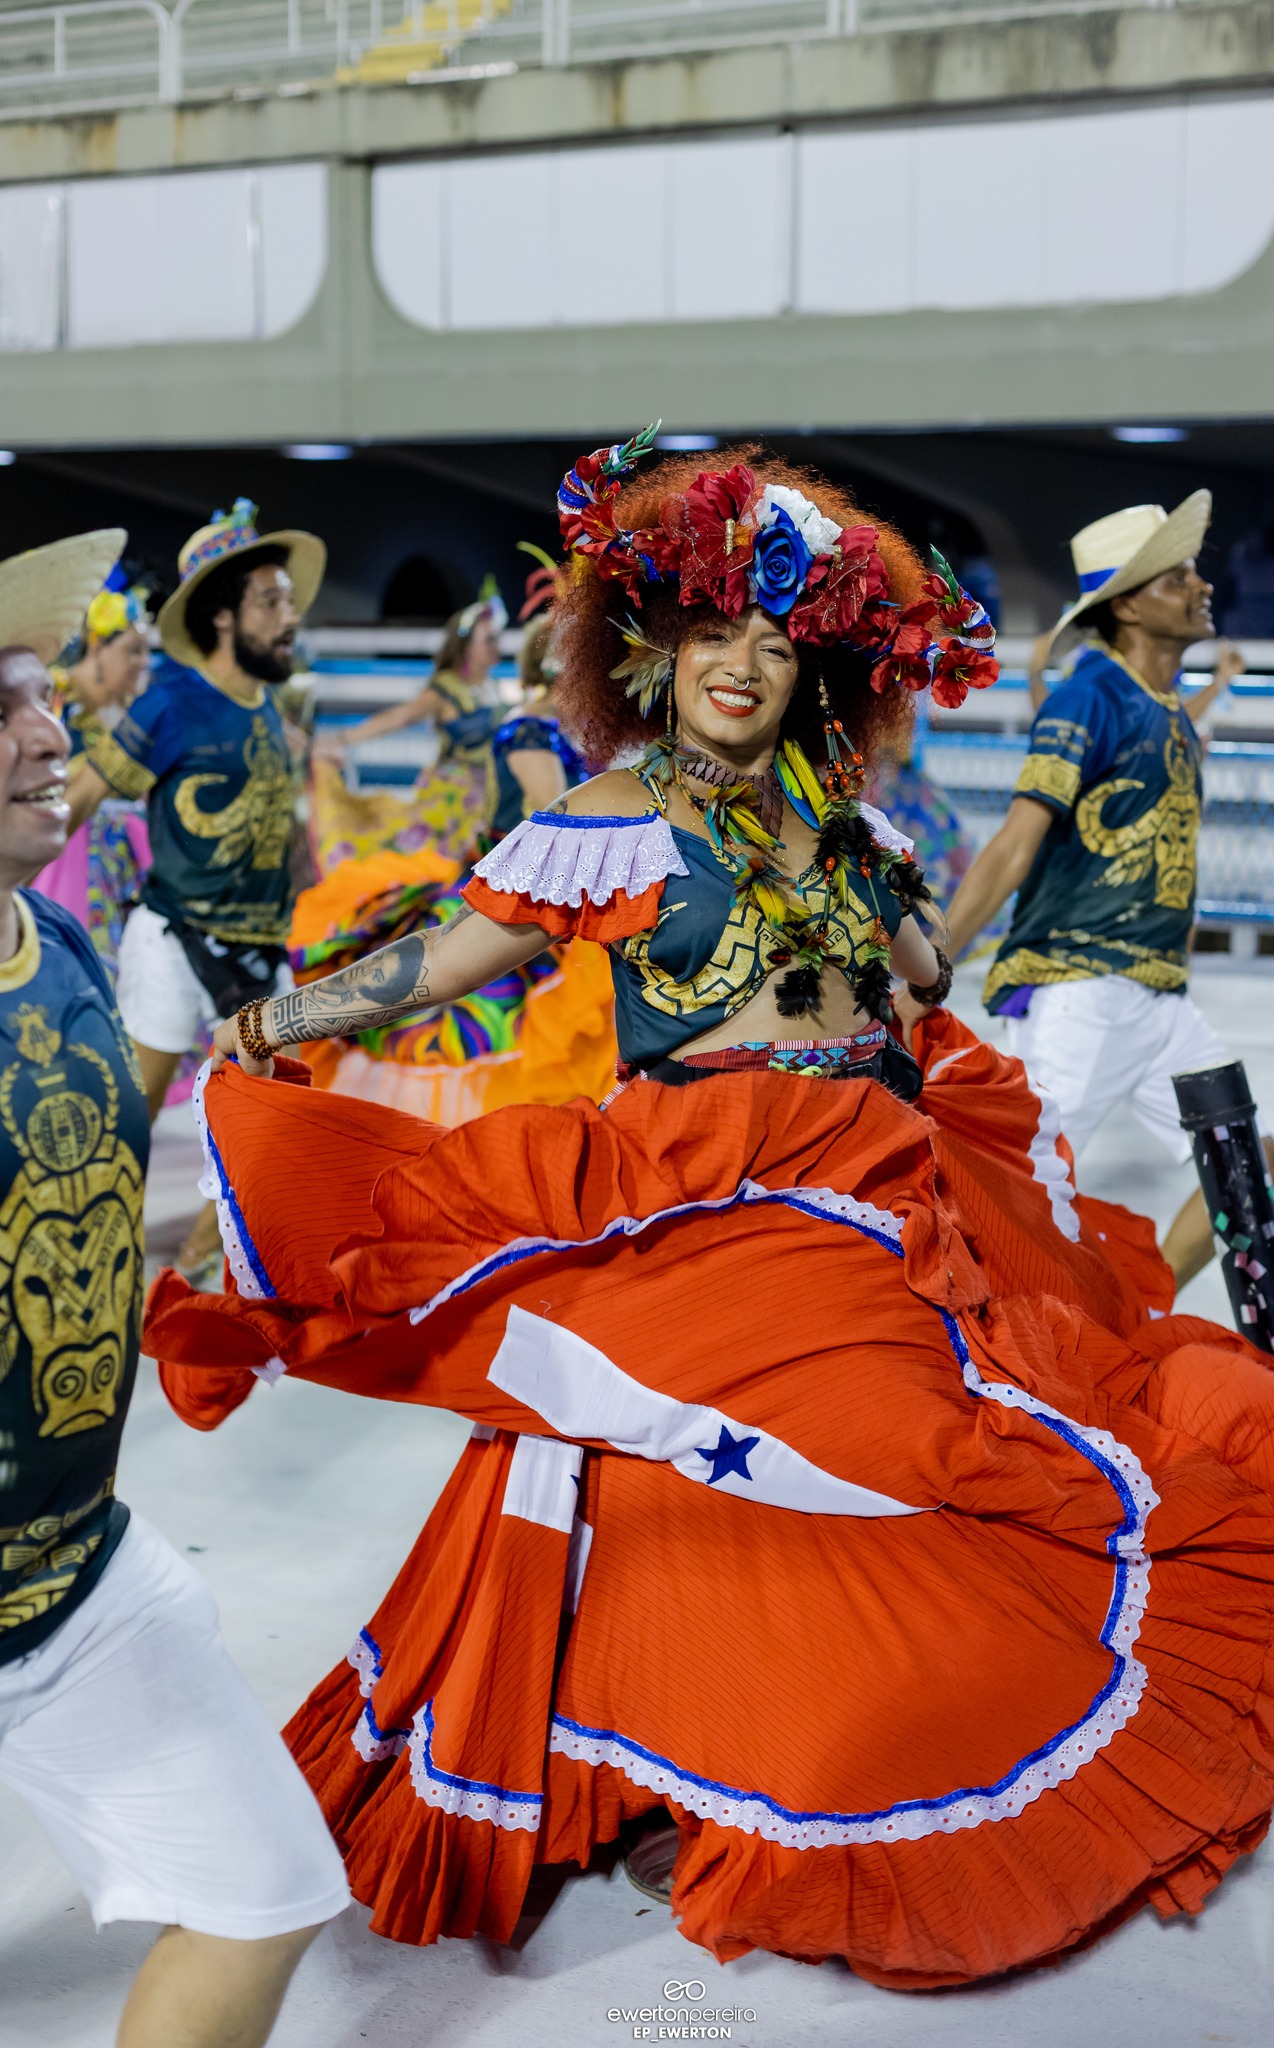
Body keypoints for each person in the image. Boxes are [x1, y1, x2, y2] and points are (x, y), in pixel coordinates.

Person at [145, 436, 1274, 1992]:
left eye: (780, 647)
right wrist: (281, 1016)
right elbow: (446, 962)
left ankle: (765, 1729)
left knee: (1032, 1434)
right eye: (716, 636)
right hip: (713, 1195)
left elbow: (923, 983)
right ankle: (729, 1754)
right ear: (654, 651)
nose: (744, 667)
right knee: (875, 1449)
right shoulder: (612, 811)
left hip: (880, 1177)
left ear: (821, 677)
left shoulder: (837, 817)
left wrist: (920, 978)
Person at [0, 534, 351, 2048]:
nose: (48, 727)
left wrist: (190, 1243)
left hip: (72, 1578)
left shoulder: (61, 943)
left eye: (36, 693)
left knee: (265, 1886)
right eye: (1, 702)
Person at [945, 494, 1270, 1290]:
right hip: (1080, 990)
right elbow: (1015, 841)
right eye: (1177, 577)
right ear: (1126, 604)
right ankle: (955, 1355)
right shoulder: (1087, 695)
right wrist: (928, 966)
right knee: (1014, 1197)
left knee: (1249, 1167)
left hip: (1159, 1000)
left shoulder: (1167, 710)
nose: (1201, 586)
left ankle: (1127, 1318)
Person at [63, 498, 324, 1281]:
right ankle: (79, 1248)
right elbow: (77, 794)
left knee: (273, 1114)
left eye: (288, 599)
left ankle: (203, 1262)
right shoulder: (169, 704)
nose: (290, 617)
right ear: (222, 618)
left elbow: (290, 839)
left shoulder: (273, 708)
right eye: (271, 601)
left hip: (260, 952)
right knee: (133, 1118)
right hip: (174, 943)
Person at [289, 558, 615, 1125]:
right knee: (485, 994)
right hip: (498, 844)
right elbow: (547, 808)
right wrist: (344, 741)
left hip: (506, 836)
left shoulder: (512, 703)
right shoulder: (528, 724)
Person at [310, 584, 509, 869]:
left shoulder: (493, 688)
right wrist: (340, 739)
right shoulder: (446, 689)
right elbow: (398, 717)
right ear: (466, 646)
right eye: (489, 641)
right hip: (452, 805)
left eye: (497, 640)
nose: (497, 649)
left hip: (489, 802)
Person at [30, 568, 151, 969]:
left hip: (117, 890)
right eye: (133, 650)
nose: (143, 663)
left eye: (146, 651)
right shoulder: (50, 700)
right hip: (59, 881)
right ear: (98, 647)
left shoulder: (122, 714)